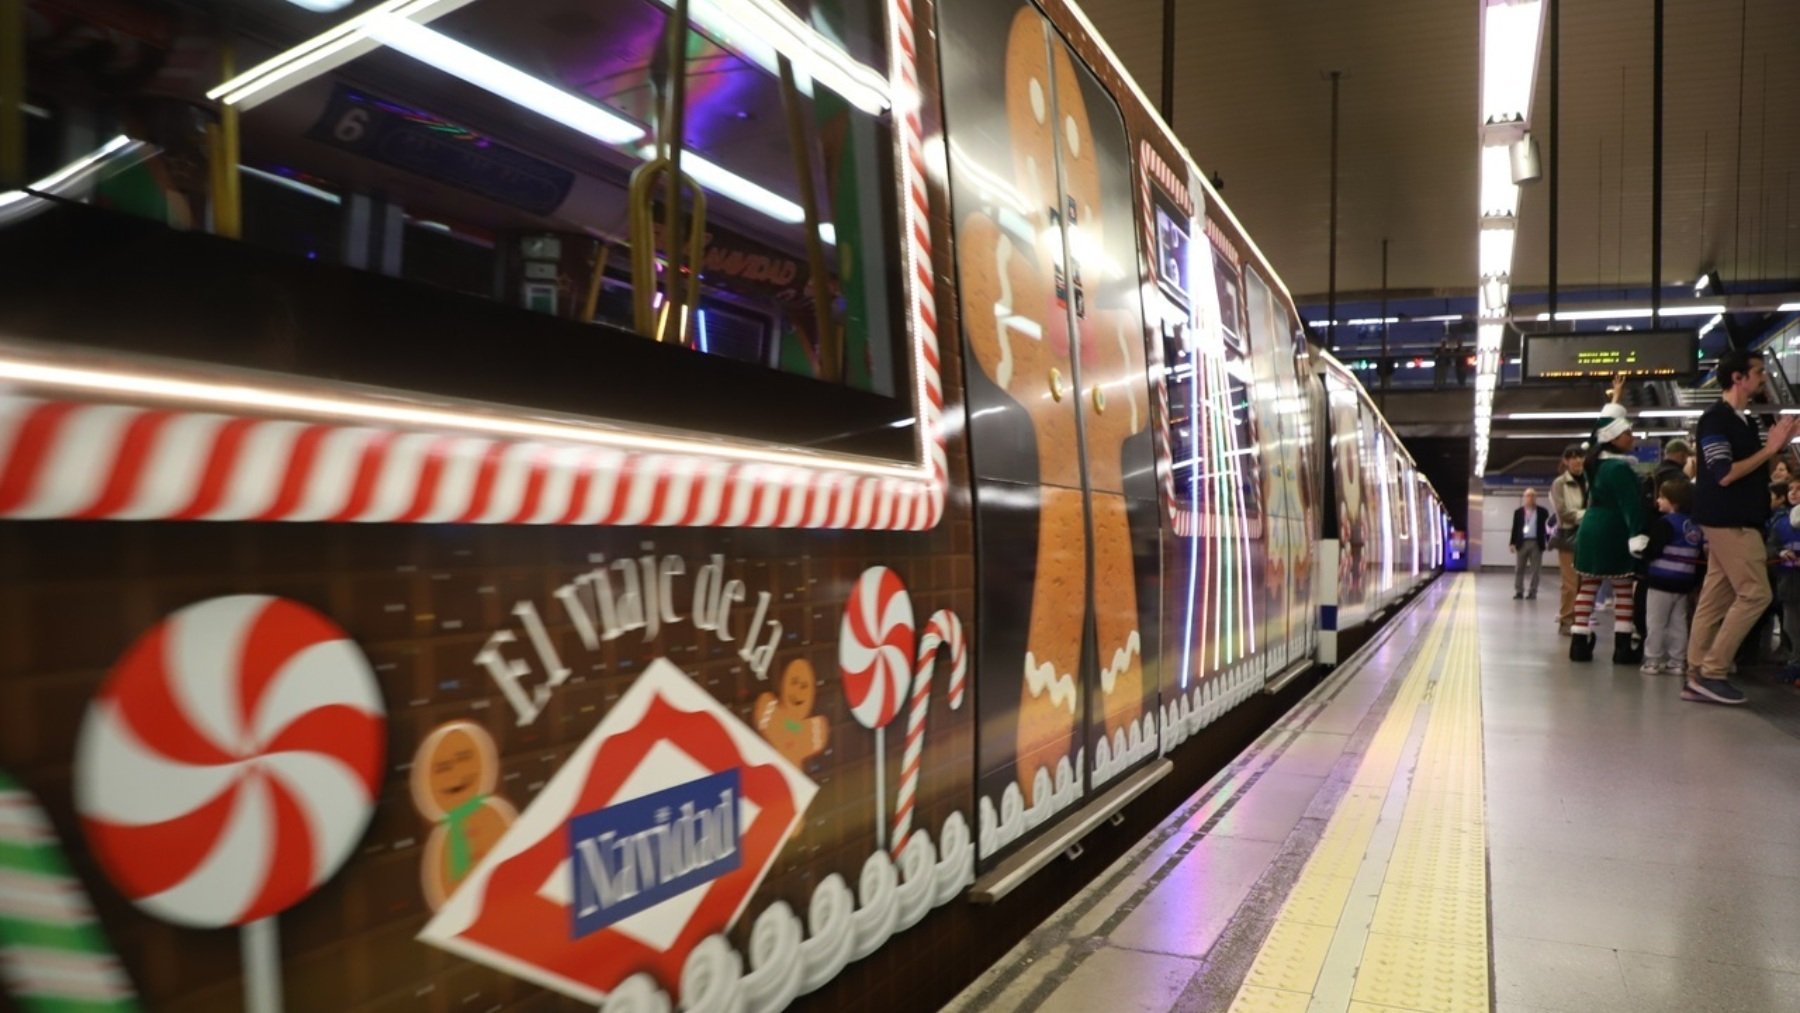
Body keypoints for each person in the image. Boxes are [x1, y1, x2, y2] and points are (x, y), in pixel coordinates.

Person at [1686, 348, 1800, 705]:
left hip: (1736, 518)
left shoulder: (1745, 422)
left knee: (1715, 597)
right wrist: (1772, 450)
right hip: (1729, 520)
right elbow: (1724, 475)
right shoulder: (1716, 420)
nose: (1764, 377)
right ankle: (1712, 671)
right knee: (1756, 593)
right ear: (1737, 377)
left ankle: (1695, 672)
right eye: (1758, 371)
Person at [1571, 375, 1648, 663]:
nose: (1632, 437)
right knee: (1623, 589)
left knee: (1588, 587)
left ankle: (1579, 643)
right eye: (1627, 433)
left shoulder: (1594, 464)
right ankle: (1622, 647)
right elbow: (1632, 506)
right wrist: (1637, 535)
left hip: (1590, 528)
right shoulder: (1620, 469)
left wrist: (1615, 399)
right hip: (1614, 530)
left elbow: (1597, 432)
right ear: (1614, 439)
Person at [1639, 478, 1704, 676]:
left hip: (1660, 581)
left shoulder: (1665, 523)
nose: (1658, 500)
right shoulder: (1694, 526)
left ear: (1674, 502)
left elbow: (1653, 550)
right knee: (1679, 623)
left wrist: (1642, 553)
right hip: (1684, 582)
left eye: (1662, 497)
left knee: (1656, 622)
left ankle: (1653, 660)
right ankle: (1677, 661)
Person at [1549, 445, 1588, 635]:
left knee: (1585, 582)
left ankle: (1581, 618)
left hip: (1588, 535)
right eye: (1572, 457)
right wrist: (1588, 515)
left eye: (1580, 457)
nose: (1577, 461)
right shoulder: (1559, 483)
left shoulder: (1590, 481)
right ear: (1565, 461)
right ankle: (1566, 619)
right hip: (1568, 537)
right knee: (1570, 582)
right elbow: (1563, 513)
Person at [1767, 489, 1800, 684]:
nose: (1794, 493)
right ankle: (1795, 663)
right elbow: (1770, 547)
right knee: (1791, 627)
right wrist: (1780, 552)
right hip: (1789, 584)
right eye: (1792, 489)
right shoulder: (1781, 524)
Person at [1510, 489, 1550, 599]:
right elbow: (1515, 528)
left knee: (1535, 570)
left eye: (1532, 496)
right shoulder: (1518, 512)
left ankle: (1533, 592)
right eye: (1528, 496)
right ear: (1524, 497)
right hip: (1521, 542)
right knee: (1519, 569)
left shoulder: (1543, 512)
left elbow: (1548, 529)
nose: (1530, 498)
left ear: (1536, 498)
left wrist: (1548, 541)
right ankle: (1519, 591)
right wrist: (1512, 543)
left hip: (1536, 543)